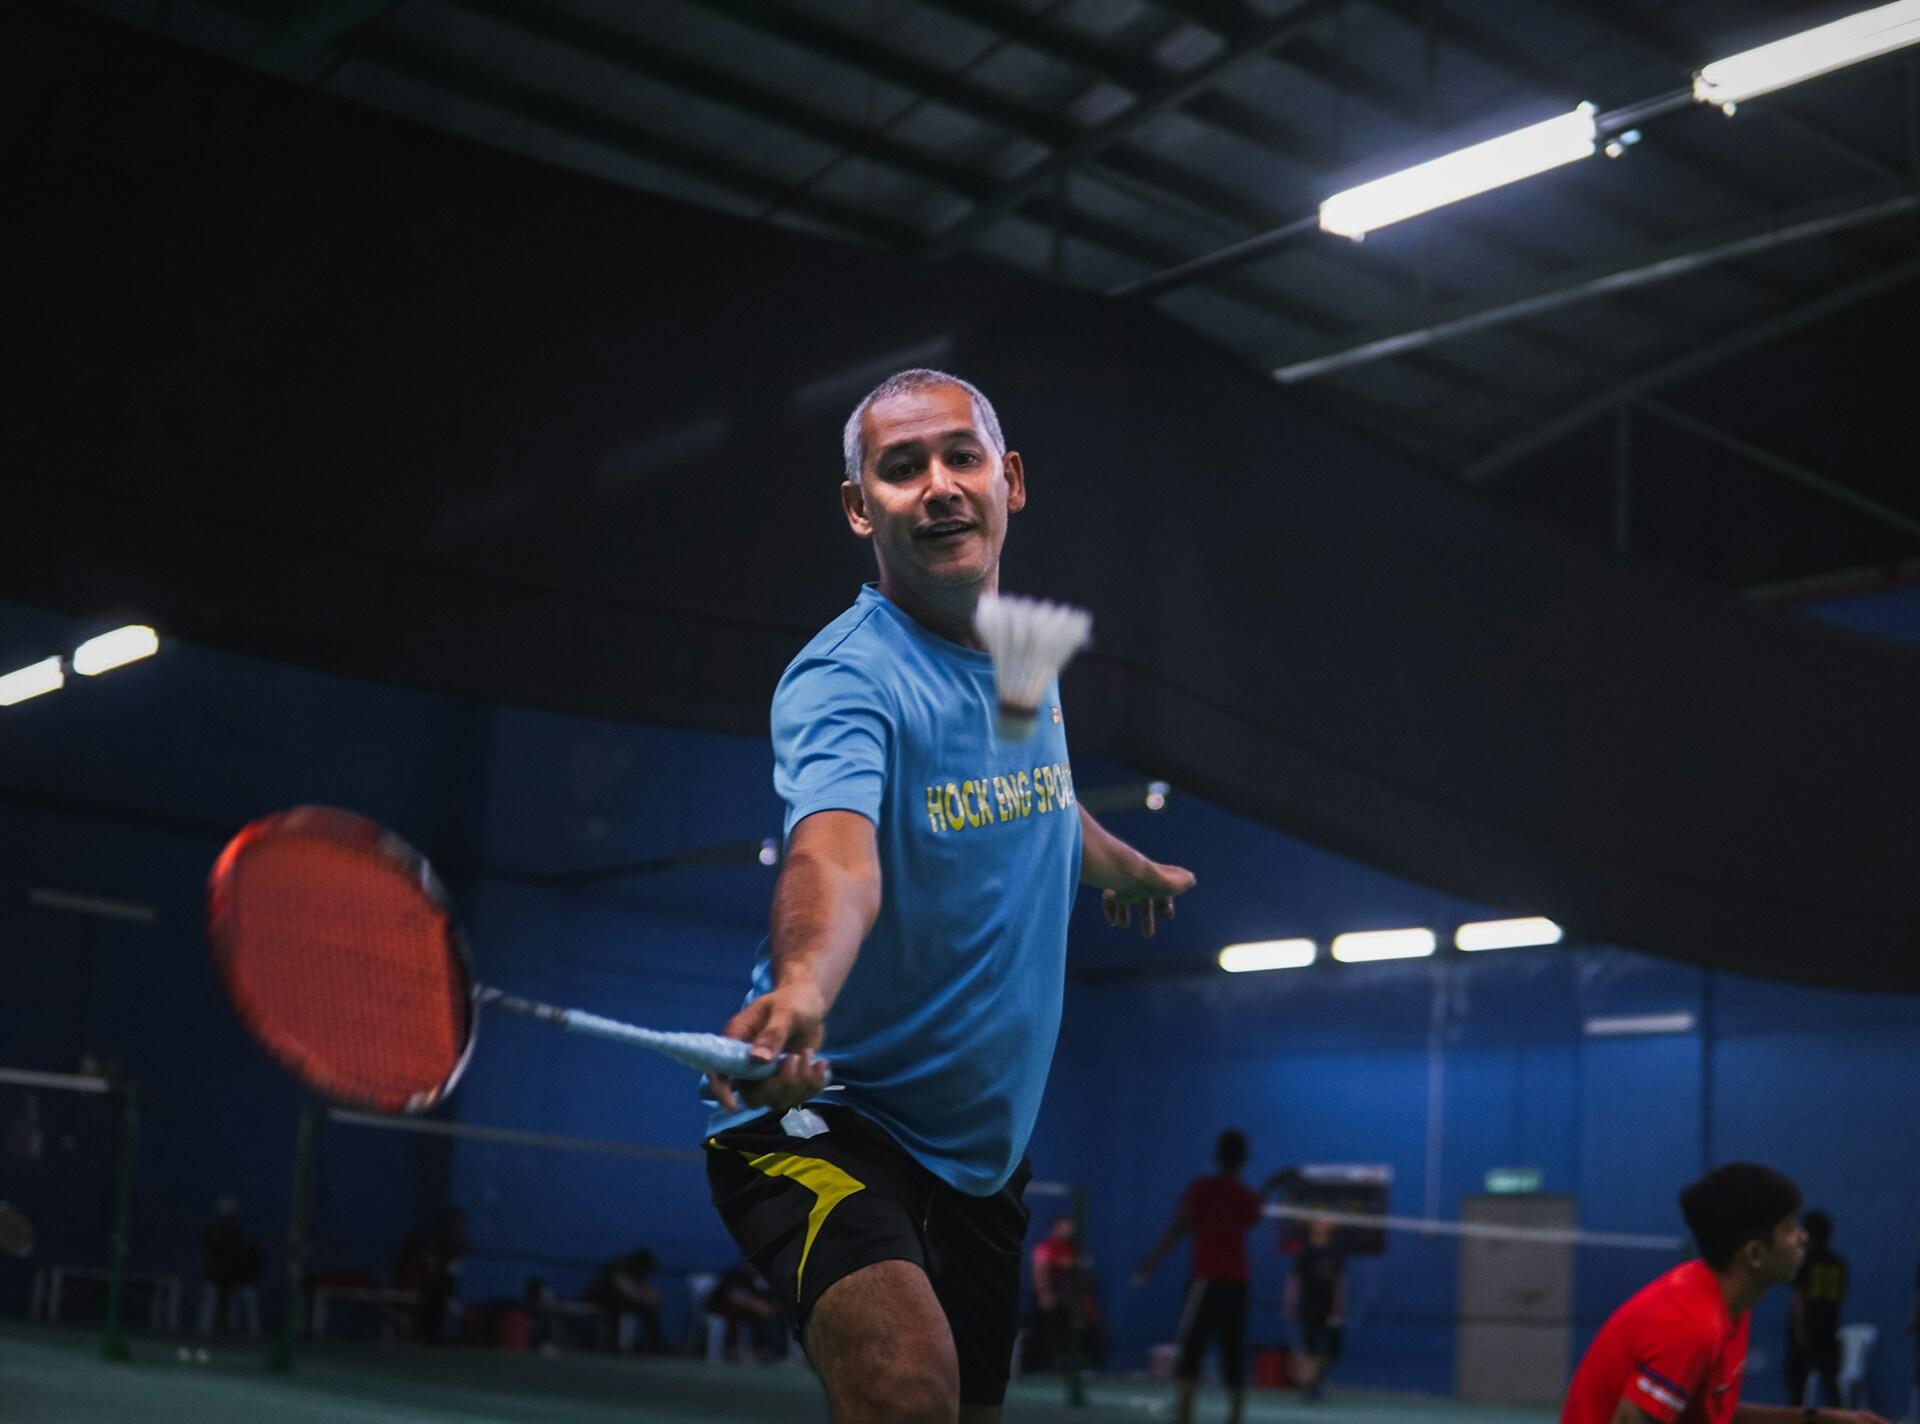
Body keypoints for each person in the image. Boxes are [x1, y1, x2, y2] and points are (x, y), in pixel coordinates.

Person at [702, 368, 1195, 1424]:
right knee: (906, 1388)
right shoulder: (845, 678)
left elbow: (1035, 794)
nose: (938, 485)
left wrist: (1120, 865)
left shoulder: (1022, 649)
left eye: (960, 457)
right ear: (859, 507)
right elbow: (837, 855)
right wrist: (803, 983)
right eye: (902, 467)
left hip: (980, 1159)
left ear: (1008, 480)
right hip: (824, 1108)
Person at [1562, 1162, 1888, 1424]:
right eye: (1790, 1228)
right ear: (1755, 1255)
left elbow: (1710, 1414)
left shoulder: (1731, 1305)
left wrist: (1819, 1419)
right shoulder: (1691, 1325)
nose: (1802, 1238)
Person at [1130, 1129, 1266, 1424]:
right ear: (1244, 1159)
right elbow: (1255, 1215)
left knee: (1192, 1349)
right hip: (1238, 1285)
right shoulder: (1245, 1195)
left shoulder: (1202, 1188)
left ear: (1217, 1156)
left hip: (1206, 1282)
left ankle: (1184, 1415)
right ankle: (1236, 1416)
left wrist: (1152, 1260)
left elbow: (1180, 1225)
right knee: (1234, 1351)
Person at [1788, 1211, 1847, 1409]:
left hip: (1807, 1328)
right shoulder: (1838, 1263)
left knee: (1797, 1386)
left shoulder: (1806, 1261)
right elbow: (1838, 1299)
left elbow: (1799, 1296)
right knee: (1831, 1383)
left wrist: (1799, 1330)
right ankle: (1838, 1418)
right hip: (1829, 1330)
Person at [1284, 1214, 1347, 1401]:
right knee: (1310, 1349)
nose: (1323, 1224)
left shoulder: (1335, 1252)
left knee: (1334, 1351)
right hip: (1309, 1307)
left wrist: (1338, 1306)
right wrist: (1289, 1302)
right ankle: (1309, 1386)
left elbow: (1339, 1282)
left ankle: (1315, 1379)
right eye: (1319, 1222)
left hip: (1330, 1310)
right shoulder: (1305, 1252)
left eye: (1326, 1222)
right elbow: (1294, 1279)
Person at [395, 1206, 467, 1344]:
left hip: (442, 1295)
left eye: (461, 1226)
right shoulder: (436, 1246)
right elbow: (431, 1277)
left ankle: (433, 1337)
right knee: (432, 1316)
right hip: (429, 1294)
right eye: (457, 1225)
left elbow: (450, 1278)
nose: (460, 1229)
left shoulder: (457, 1248)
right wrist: (445, 1298)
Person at [197, 1196, 265, 1336]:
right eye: (225, 1214)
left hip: (236, 1279)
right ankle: (203, 1332)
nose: (228, 1218)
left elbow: (255, 1258)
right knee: (211, 1298)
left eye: (230, 1215)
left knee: (243, 1299)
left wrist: (243, 1276)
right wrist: (213, 1272)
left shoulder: (241, 1236)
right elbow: (208, 1258)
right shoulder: (213, 1235)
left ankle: (245, 1333)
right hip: (216, 1278)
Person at [586, 1246, 664, 1353]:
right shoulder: (621, 1265)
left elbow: (646, 1292)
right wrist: (643, 1298)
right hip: (601, 1299)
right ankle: (613, 1345)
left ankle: (654, 1345)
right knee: (616, 1310)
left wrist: (651, 1299)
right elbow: (625, 1289)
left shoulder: (640, 1272)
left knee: (651, 1311)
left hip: (622, 1301)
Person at [703, 1259, 781, 1362]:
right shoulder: (734, 1274)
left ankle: (762, 1352)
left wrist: (762, 1307)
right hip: (716, 1311)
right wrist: (755, 1304)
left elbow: (771, 1307)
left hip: (744, 1314)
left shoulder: (763, 1278)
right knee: (732, 1318)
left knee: (760, 1318)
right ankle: (728, 1352)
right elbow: (734, 1297)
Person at [1028, 1215, 1079, 1373]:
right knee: (1043, 1332)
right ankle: (1035, 1366)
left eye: (1070, 1227)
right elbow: (1040, 1270)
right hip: (1046, 1297)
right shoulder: (1045, 1247)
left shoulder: (1070, 1249)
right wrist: (1044, 1294)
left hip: (1064, 1298)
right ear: (1055, 1228)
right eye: (1064, 1226)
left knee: (1063, 1332)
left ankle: (1059, 1365)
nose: (1068, 1230)